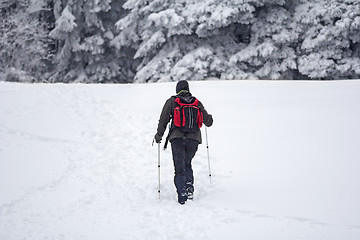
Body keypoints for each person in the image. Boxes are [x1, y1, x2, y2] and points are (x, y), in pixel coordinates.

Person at [154, 80, 213, 205]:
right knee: (187, 163)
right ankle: (189, 187)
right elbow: (208, 122)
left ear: (177, 90)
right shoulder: (196, 102)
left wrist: (159, 136)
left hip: (177, 138)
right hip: (194, 139)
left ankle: (182, 193)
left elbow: (163, 120)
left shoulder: (172, 101)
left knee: (179, 167)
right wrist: (210, 117)